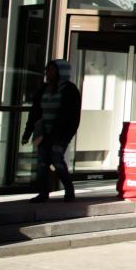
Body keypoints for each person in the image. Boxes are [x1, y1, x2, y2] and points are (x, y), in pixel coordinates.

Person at [22, 59, 81, 202]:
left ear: (61, 72)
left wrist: (65, 134)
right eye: (47, 70)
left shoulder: (69, 90)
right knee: (42, 162)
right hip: (44, 132)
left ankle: (69, 190)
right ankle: (43, 193)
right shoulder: (43, 89)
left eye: (52, 70)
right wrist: (28, 133)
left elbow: (72, 115)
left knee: (57, 159)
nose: (48, 73)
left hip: (61, 133)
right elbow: (35, 112)